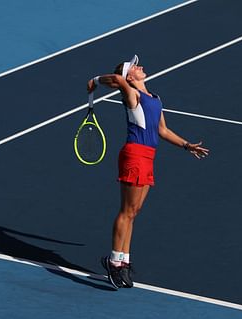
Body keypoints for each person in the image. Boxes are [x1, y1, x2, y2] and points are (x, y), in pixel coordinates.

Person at [87, 55, 209, 289]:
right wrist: (94, 80)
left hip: (148, 156)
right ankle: (113, 262)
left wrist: (186, 145)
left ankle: (124, 261)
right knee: (126, 210)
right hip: (134, 154)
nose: (140, 66)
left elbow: (162, 130)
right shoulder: (132, 94)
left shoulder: (155, 98)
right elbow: (113, 78)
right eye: (134, 67)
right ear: (129, 77)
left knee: (135, 211)